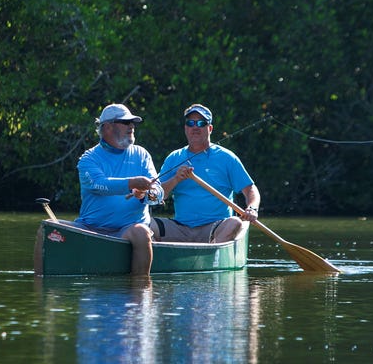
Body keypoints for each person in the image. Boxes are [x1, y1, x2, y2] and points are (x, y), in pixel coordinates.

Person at [72, 103, 163, 276]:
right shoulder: (88, 159)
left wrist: (148, 194)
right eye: (125, 122)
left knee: (142, 232)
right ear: (107, 127)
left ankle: (141, 292)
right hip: (91, 228)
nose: (131, 126)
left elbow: (158, 192)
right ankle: (40, 288)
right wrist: (132, 183)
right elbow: (99, 185)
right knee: (47, 228)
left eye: (132, 123)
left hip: (128, 230)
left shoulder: (142, 155)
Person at [150, 103, 260, 243]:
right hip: (180, 228)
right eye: (190, 123)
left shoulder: (227, 158)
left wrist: (252, 208)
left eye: (201, 123)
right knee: (145, 224)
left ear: (210, 128)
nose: (195, 127)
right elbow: (158, 196)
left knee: (235, 223)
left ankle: (212, 253)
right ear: (185, 128)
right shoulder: (174, 158)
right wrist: (176, 179)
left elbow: (250, 189)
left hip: (215, 228)